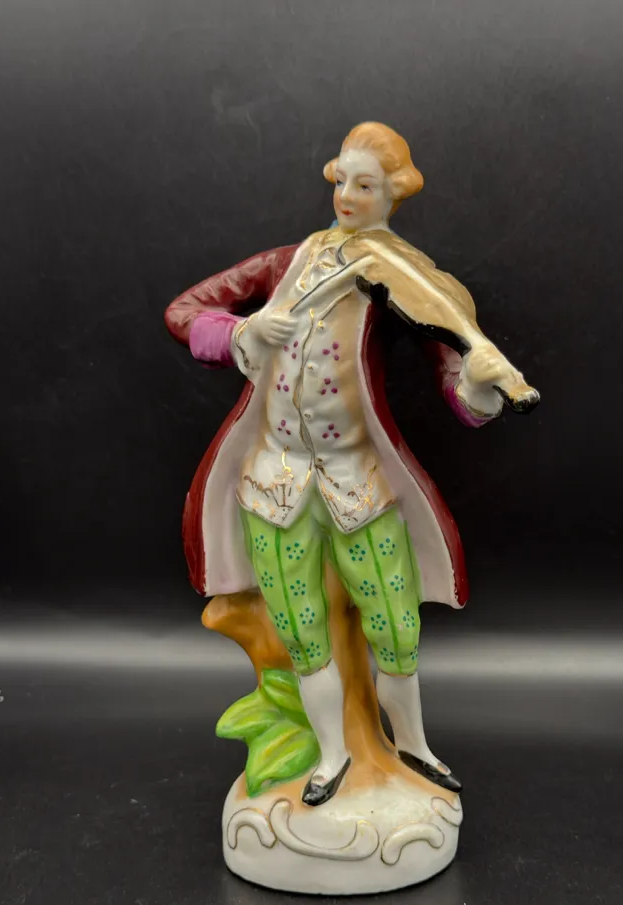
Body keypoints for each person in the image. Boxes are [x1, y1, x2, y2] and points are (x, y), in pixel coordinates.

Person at [165, 122, 538, 806]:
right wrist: (243, 331)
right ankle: (332, 757)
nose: (348, 197)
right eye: (343, 181)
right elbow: (185, 311)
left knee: (395, 622)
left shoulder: (401, 277)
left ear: (392, 195)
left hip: (356, 481)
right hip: (273, 482)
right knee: (300, 631)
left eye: (366, 186)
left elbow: (455, 380)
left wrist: (484, 386)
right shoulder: (287, 264)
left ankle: (413, 744)